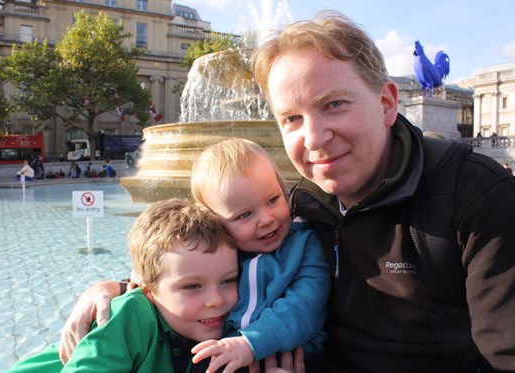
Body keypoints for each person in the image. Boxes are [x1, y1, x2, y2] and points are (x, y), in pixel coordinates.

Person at [60, 10, 515, 372]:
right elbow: (203, 256)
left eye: (333, 104)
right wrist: (121, 284)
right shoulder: (303, 203)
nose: (313, 138)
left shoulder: (475, 196)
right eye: (291, 118)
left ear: (386, 103)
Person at [6, 198, 240, 372]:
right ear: (148, 291)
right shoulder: (132, 314)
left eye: (228, 280)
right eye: (192, 286)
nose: (216, 300)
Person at [189, 138, 329, 372]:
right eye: (244, 215)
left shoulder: (305, 244)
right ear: (216, 223)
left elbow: (306, 305)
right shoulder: (221, 252)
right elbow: (176, 269)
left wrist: (250, 342)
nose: (266, 219)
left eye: (273, 200)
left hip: (295, 358)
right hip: (229, 353)